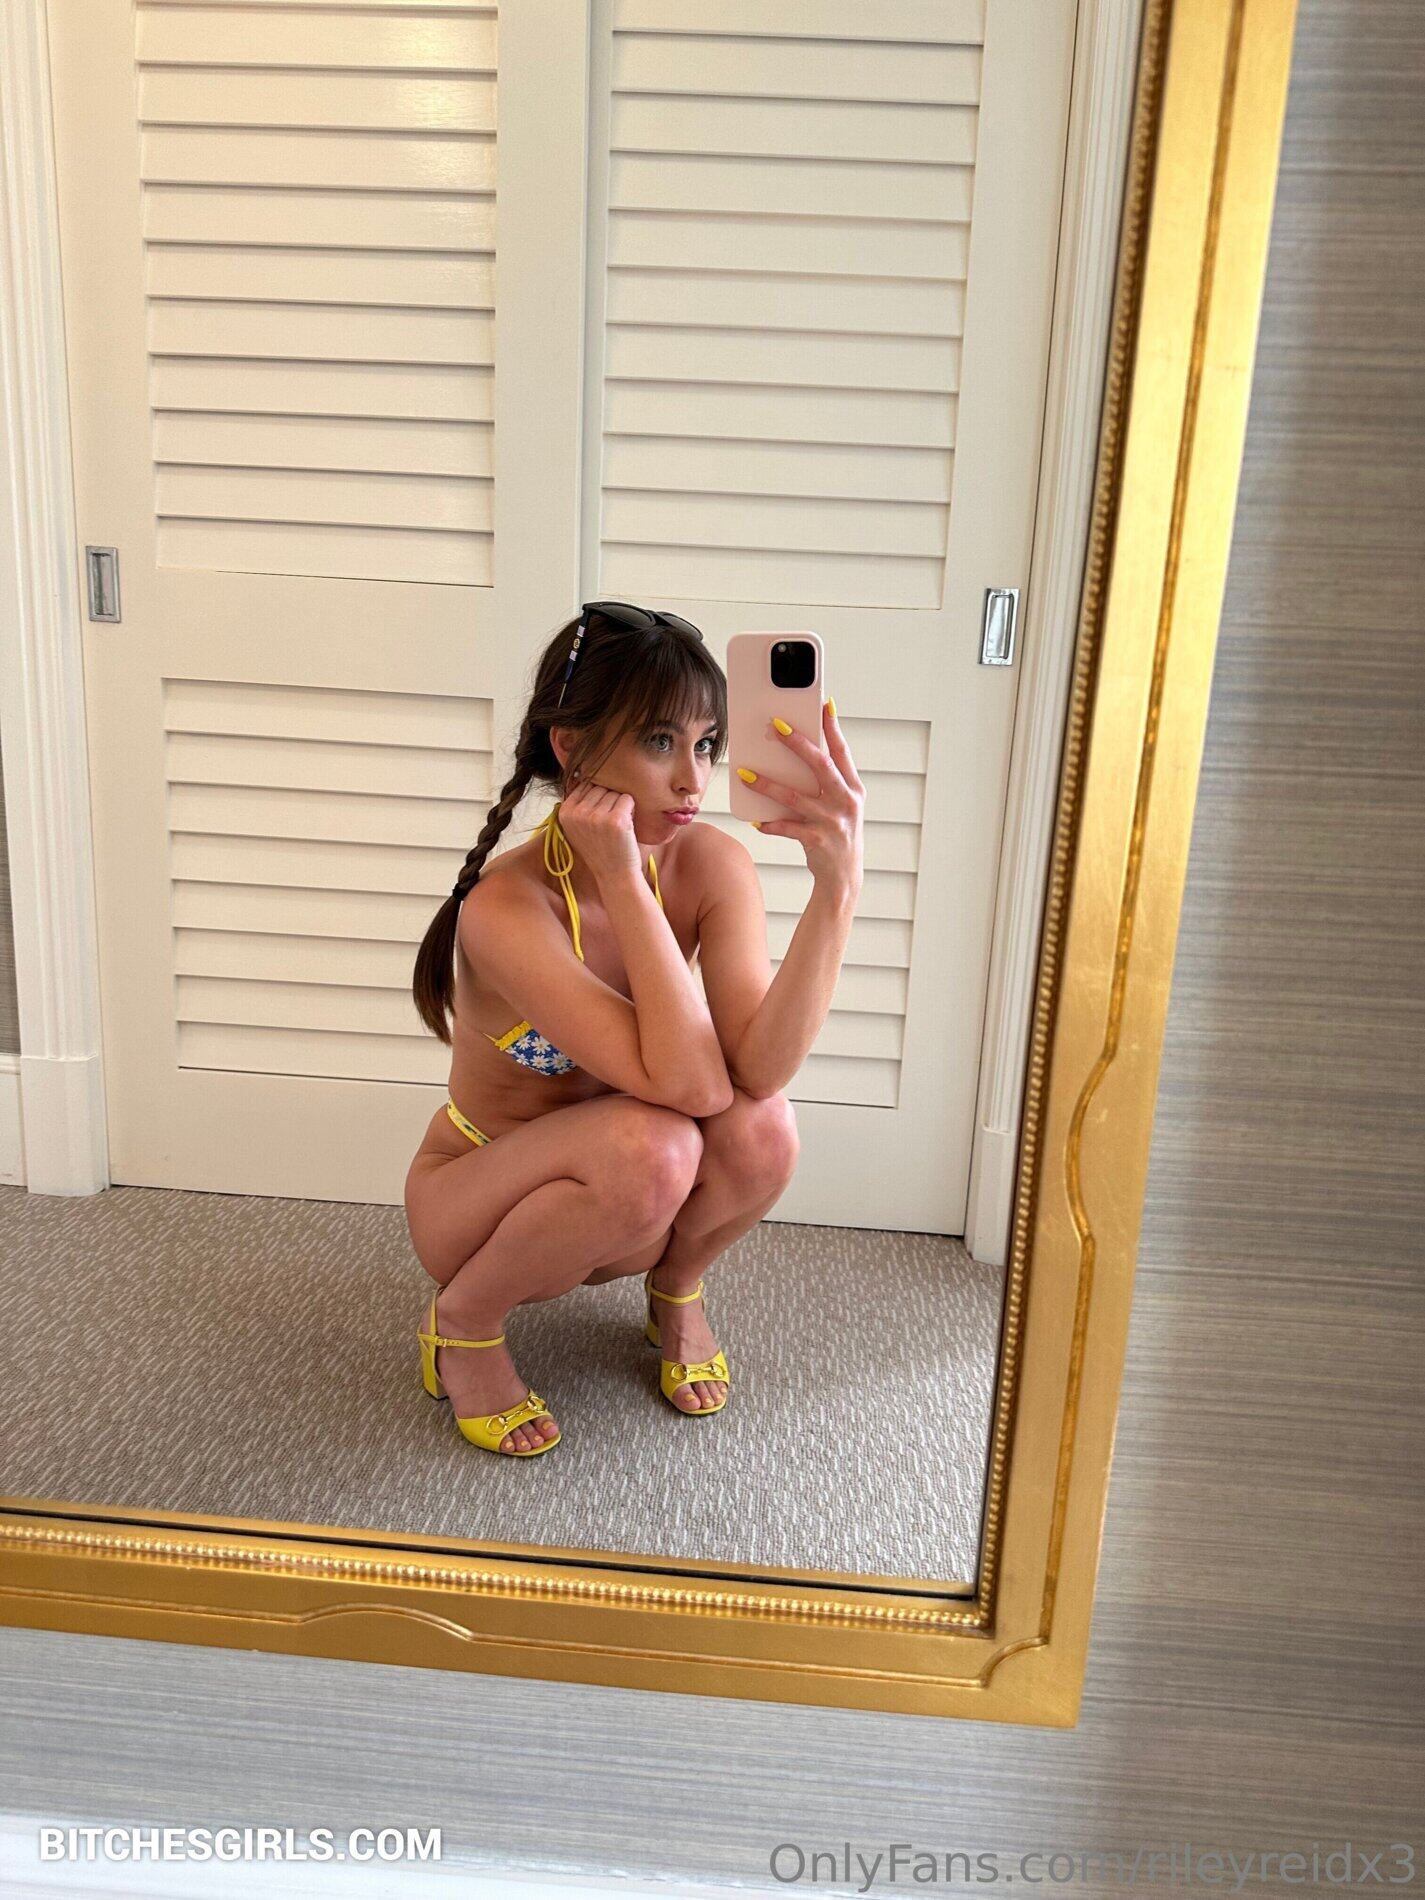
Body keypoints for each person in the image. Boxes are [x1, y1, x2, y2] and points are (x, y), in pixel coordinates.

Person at [404, 602, 865, 1456]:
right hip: (481, 1203)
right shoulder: (506, 909)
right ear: (572, 749)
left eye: (706, 745)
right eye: (660, 742)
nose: (693, 780)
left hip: (635, 1198)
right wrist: (620, 878)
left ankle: (677, 1288)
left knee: (763, 1128)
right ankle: (464, 1320)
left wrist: (838, 886)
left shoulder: (709, 863)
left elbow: (758, 1073)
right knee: (656, 1143)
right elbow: (691, 1088)